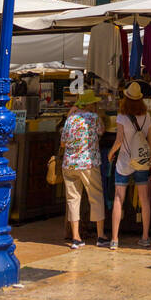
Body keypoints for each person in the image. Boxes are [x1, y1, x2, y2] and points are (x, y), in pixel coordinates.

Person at [108, 81, 151, 250]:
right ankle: (145, 237)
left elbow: (119, 141)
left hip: (124, 161)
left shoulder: (121, 117)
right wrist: (150, 160)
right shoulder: (147, 116)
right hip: (141, 160)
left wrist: (111, 153)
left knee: (119, 198)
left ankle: (114, 239)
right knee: (144, 198)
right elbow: (149, 141)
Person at [60, 90, 108, 249]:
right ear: (90, 104)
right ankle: (100, 236)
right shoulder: (94, 118)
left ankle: (76, 237)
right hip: (88, 163)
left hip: (69, 164)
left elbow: (63, 142)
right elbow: (102, 130)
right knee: (96, 196)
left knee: (73, 199)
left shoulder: (70, 119)